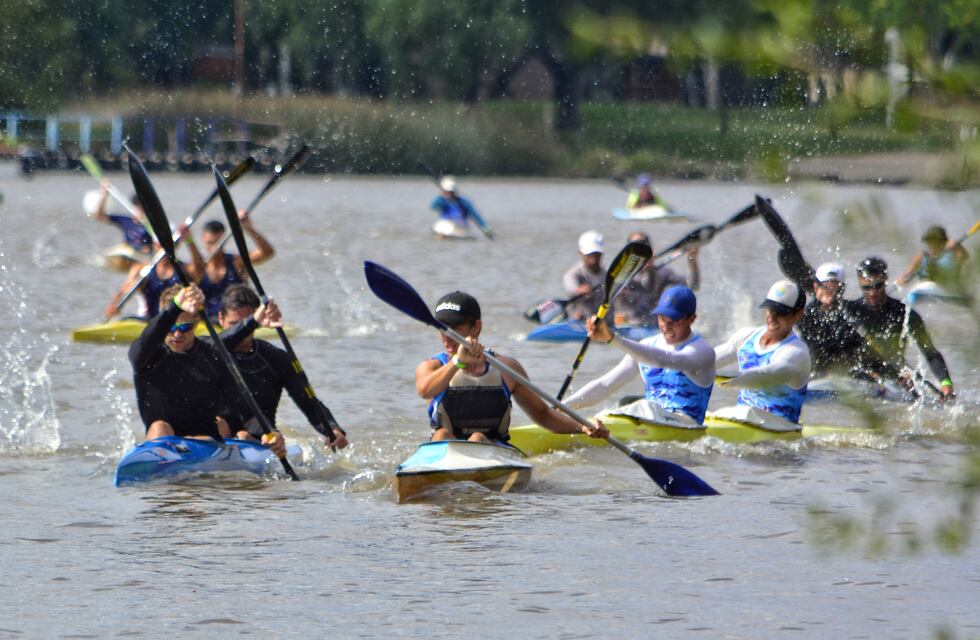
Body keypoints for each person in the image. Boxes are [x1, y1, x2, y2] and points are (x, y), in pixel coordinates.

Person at [415, 291, 608, 443]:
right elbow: (425, 390)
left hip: (492, 449)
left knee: (478, 437)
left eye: (455, 329)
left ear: (476, 327)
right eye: (441, 328)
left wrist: (582, 427)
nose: (446, 336)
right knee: (441, 435)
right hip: (442, 451)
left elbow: (543, 415)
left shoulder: (506, 368)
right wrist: (458, 362)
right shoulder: (430, 367)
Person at [127, 283, 284, 457]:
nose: (177, 335)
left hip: (205, 444)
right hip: (166, 444)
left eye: (185, 327)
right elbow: (146, 340)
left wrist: (270, 432)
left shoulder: (210, 352)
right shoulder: (145, 357)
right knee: (159, 427)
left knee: (228, 427)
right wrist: (175, 307)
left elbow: (243, 404)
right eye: (172, 328)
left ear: (196, 323)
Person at [216, 284, 348, 449]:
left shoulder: (275, 358)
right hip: (215, 431)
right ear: (220, 318)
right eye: (234, 324)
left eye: (247, 324)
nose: (241, 332)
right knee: (219, 425)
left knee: (243, 436)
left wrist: (332, 428)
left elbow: (307, 400)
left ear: (258, 320)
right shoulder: (207, 351)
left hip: (263, 435)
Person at [567, 285, 715, 427]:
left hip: (686, 424)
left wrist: (612, 338)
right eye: (662, 319)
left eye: (674, 320)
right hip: (650, 420)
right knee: (618, 407)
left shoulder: (702, 351)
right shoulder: (648, 345)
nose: (666, 327)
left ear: (692, 319)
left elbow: (665, 360)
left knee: (644, 406)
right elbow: (605, 385)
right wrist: (564, 406)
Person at [845, 257, 954, 399]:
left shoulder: (905, 314)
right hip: (860, 373)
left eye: (877, 286)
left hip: (896, 373)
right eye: (866, 288)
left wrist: (946, 384)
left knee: (939, 400)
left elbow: (931, 354)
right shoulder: (851, 312)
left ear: (885, 281)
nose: (872, 292)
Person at [713, 280, 812, 428]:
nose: (772, 317)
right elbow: (706, 360)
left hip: (780, 435)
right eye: (770, 309)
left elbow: (769, 375)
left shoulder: (797, 352)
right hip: (743, 421)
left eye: (781, 313)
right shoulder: (745, 337)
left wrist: (732, 381)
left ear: (798, 315)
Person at [797, 262, 901, 382]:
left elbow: (875, 346)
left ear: (842, 288)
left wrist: (896, 372)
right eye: (826, 287)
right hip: (817, 376)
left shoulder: (855, 313)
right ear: (815, 287)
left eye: (836, 288)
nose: (831, 293)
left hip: (852, 376)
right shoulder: (804, 317)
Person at [104, 230, 205, 319]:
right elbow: (123, 292)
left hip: (178, 322)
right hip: (148, 320)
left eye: (169, 246)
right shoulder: (141, 269)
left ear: (176, 246)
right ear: (155, 245)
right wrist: (114, 307)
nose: (165, 250)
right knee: (126, 319)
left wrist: (190, 241)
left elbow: (201, 268)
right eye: (161, 245)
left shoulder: (186, 269)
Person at [612, 231, 700, 325]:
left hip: (655, 327)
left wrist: (692, 260)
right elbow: (618, 306)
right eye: (636, 247)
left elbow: (693, 286)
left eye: (643, 246)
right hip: (631, 326)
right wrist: (621, 296)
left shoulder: (663, 273)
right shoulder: (621, 276)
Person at [199, 213, 275, 320]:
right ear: (203, 239)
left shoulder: (237, 262)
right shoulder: (198, 268)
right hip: (208, 322)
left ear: (224, 239)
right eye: (210, 243)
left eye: (218, 243)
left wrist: (248, 228)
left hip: (239, 318)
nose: (213, 248)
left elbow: (267, 252)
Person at [88, 181, 153, 255]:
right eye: (138, 207)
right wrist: (104, 194)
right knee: (120, 249)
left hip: (144, 254)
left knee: (146, 249)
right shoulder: (126, 220)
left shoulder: (153, 225)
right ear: (134, 206)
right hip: (127, 250)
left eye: (143, 208)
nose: (141, 211)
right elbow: (99, 216)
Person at [896, 225, 969, 288]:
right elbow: (907, 273)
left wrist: (958, 246)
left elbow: (965, 257)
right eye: (930, 241)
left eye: (935, 241)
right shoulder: (921, 256)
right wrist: (902, 279)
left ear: (943, 242)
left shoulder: (953, 252)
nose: (932, 244)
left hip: (949, 286)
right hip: (927, 286)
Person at [562, 230, 605, 321]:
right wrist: (578, 290)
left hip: (604, 324)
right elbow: (571, 288)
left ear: (601, 254)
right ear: (580, 254)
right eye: (589, 255)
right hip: (579, 322)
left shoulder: (608, 274)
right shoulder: (572, 274)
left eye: (596, 255)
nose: (593, 260)